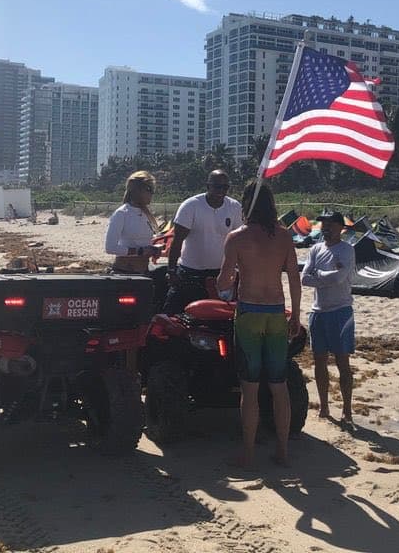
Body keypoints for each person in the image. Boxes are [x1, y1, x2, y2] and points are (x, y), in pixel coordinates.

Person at [217, 181, 301, 469]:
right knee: (279, 386)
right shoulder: (284, 237)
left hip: (250, 313)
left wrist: (227, 279)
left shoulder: (236, 238)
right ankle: (282, 451)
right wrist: (297, 315)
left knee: (250, 389)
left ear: (246, 206)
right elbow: (293, 278)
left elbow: (224, 282)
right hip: (277, 312)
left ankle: (249, 453)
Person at [301, 211, 357, 423]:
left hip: (340, 311)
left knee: (343, 362)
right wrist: (327, 275)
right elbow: (305, 278)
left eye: (331, 224)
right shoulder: (315, 249)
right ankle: (324, 407)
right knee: (319, 361)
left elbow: (340, 277)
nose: (326, 228)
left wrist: (320, 275)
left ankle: (347, 410)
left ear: (340, 227)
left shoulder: (347, 249)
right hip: (318, 311)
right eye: (324, 224)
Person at [164, 169, 242, 314]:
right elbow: (177, 241)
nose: (221, 191)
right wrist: (171, 270)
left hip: (221, 274)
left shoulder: (234, 207)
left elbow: (238, 241)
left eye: (225, 187)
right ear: (208, 186)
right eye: (217, 186)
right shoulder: (191, 206)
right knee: (173, 314)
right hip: (190, 272)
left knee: (221, 319)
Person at [104, 171, 161, 274]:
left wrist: (154, 250)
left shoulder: (146, 214)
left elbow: (143, 241)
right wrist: (139, 251)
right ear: (137, 191)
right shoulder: (122, 213)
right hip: (124, 272)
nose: (152, 193)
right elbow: (110, 248)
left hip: (144, 272)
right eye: (149, 189)